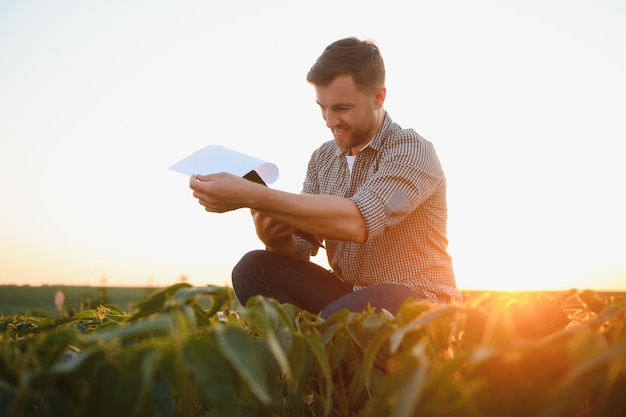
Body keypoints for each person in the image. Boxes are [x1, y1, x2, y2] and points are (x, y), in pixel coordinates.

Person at [190, 37, 462, 318]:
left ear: (378, 97)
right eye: (323, 107)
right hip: (349, 294)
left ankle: (321, 349)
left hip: (419, 299)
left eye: (342, 108)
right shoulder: (323, 159)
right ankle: (313, 347)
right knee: (253, 268)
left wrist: (251, 194)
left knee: (372, 302)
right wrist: (275, 238)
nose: (330, 120)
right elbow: (303, 245)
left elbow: (357, 222)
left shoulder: (412, 150)